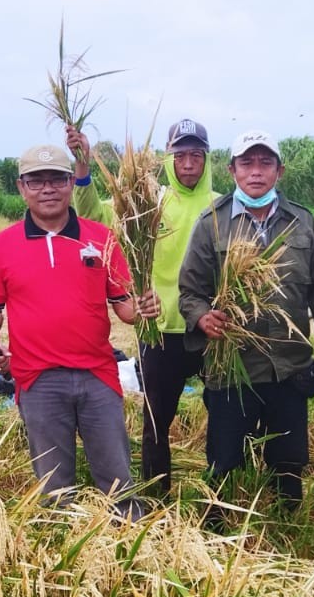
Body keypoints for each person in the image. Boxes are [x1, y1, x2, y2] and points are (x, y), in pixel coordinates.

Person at [0, 144, 160, 511]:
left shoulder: (101, 238)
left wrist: (145, 308)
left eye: (56, 179)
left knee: (117, 475)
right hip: (38, 379)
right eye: (36, 181)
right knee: (53, 483)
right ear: (21, 187)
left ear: (70, 182)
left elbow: (125, 308)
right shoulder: (1, 246)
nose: (47, 189)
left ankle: (128, 545)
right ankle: (62, 552)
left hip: (98, 375)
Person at [178, 130, 314, 517]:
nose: (256, 172)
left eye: (265, 163)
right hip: (231, 367)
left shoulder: (301, 223)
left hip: (288, 363)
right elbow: (189, 291)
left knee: (288, 460)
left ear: (279, 170)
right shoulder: (212, 224)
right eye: (247, 163)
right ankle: (218, 529)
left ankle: (288, 526)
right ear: (232, 170)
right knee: (224, 458)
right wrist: (202, 316)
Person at [66, 118, 219, 496]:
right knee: (156, 422)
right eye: (180, 155)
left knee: (225, 418)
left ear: (207, 160)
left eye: (195, 155)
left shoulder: (221, 207)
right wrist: (83, 168)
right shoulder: (150, 202)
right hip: (160, 329)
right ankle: (157, 495)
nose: (187, 164)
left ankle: (219, 495)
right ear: (168, 159)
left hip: (213, 331)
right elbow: (94, 219)